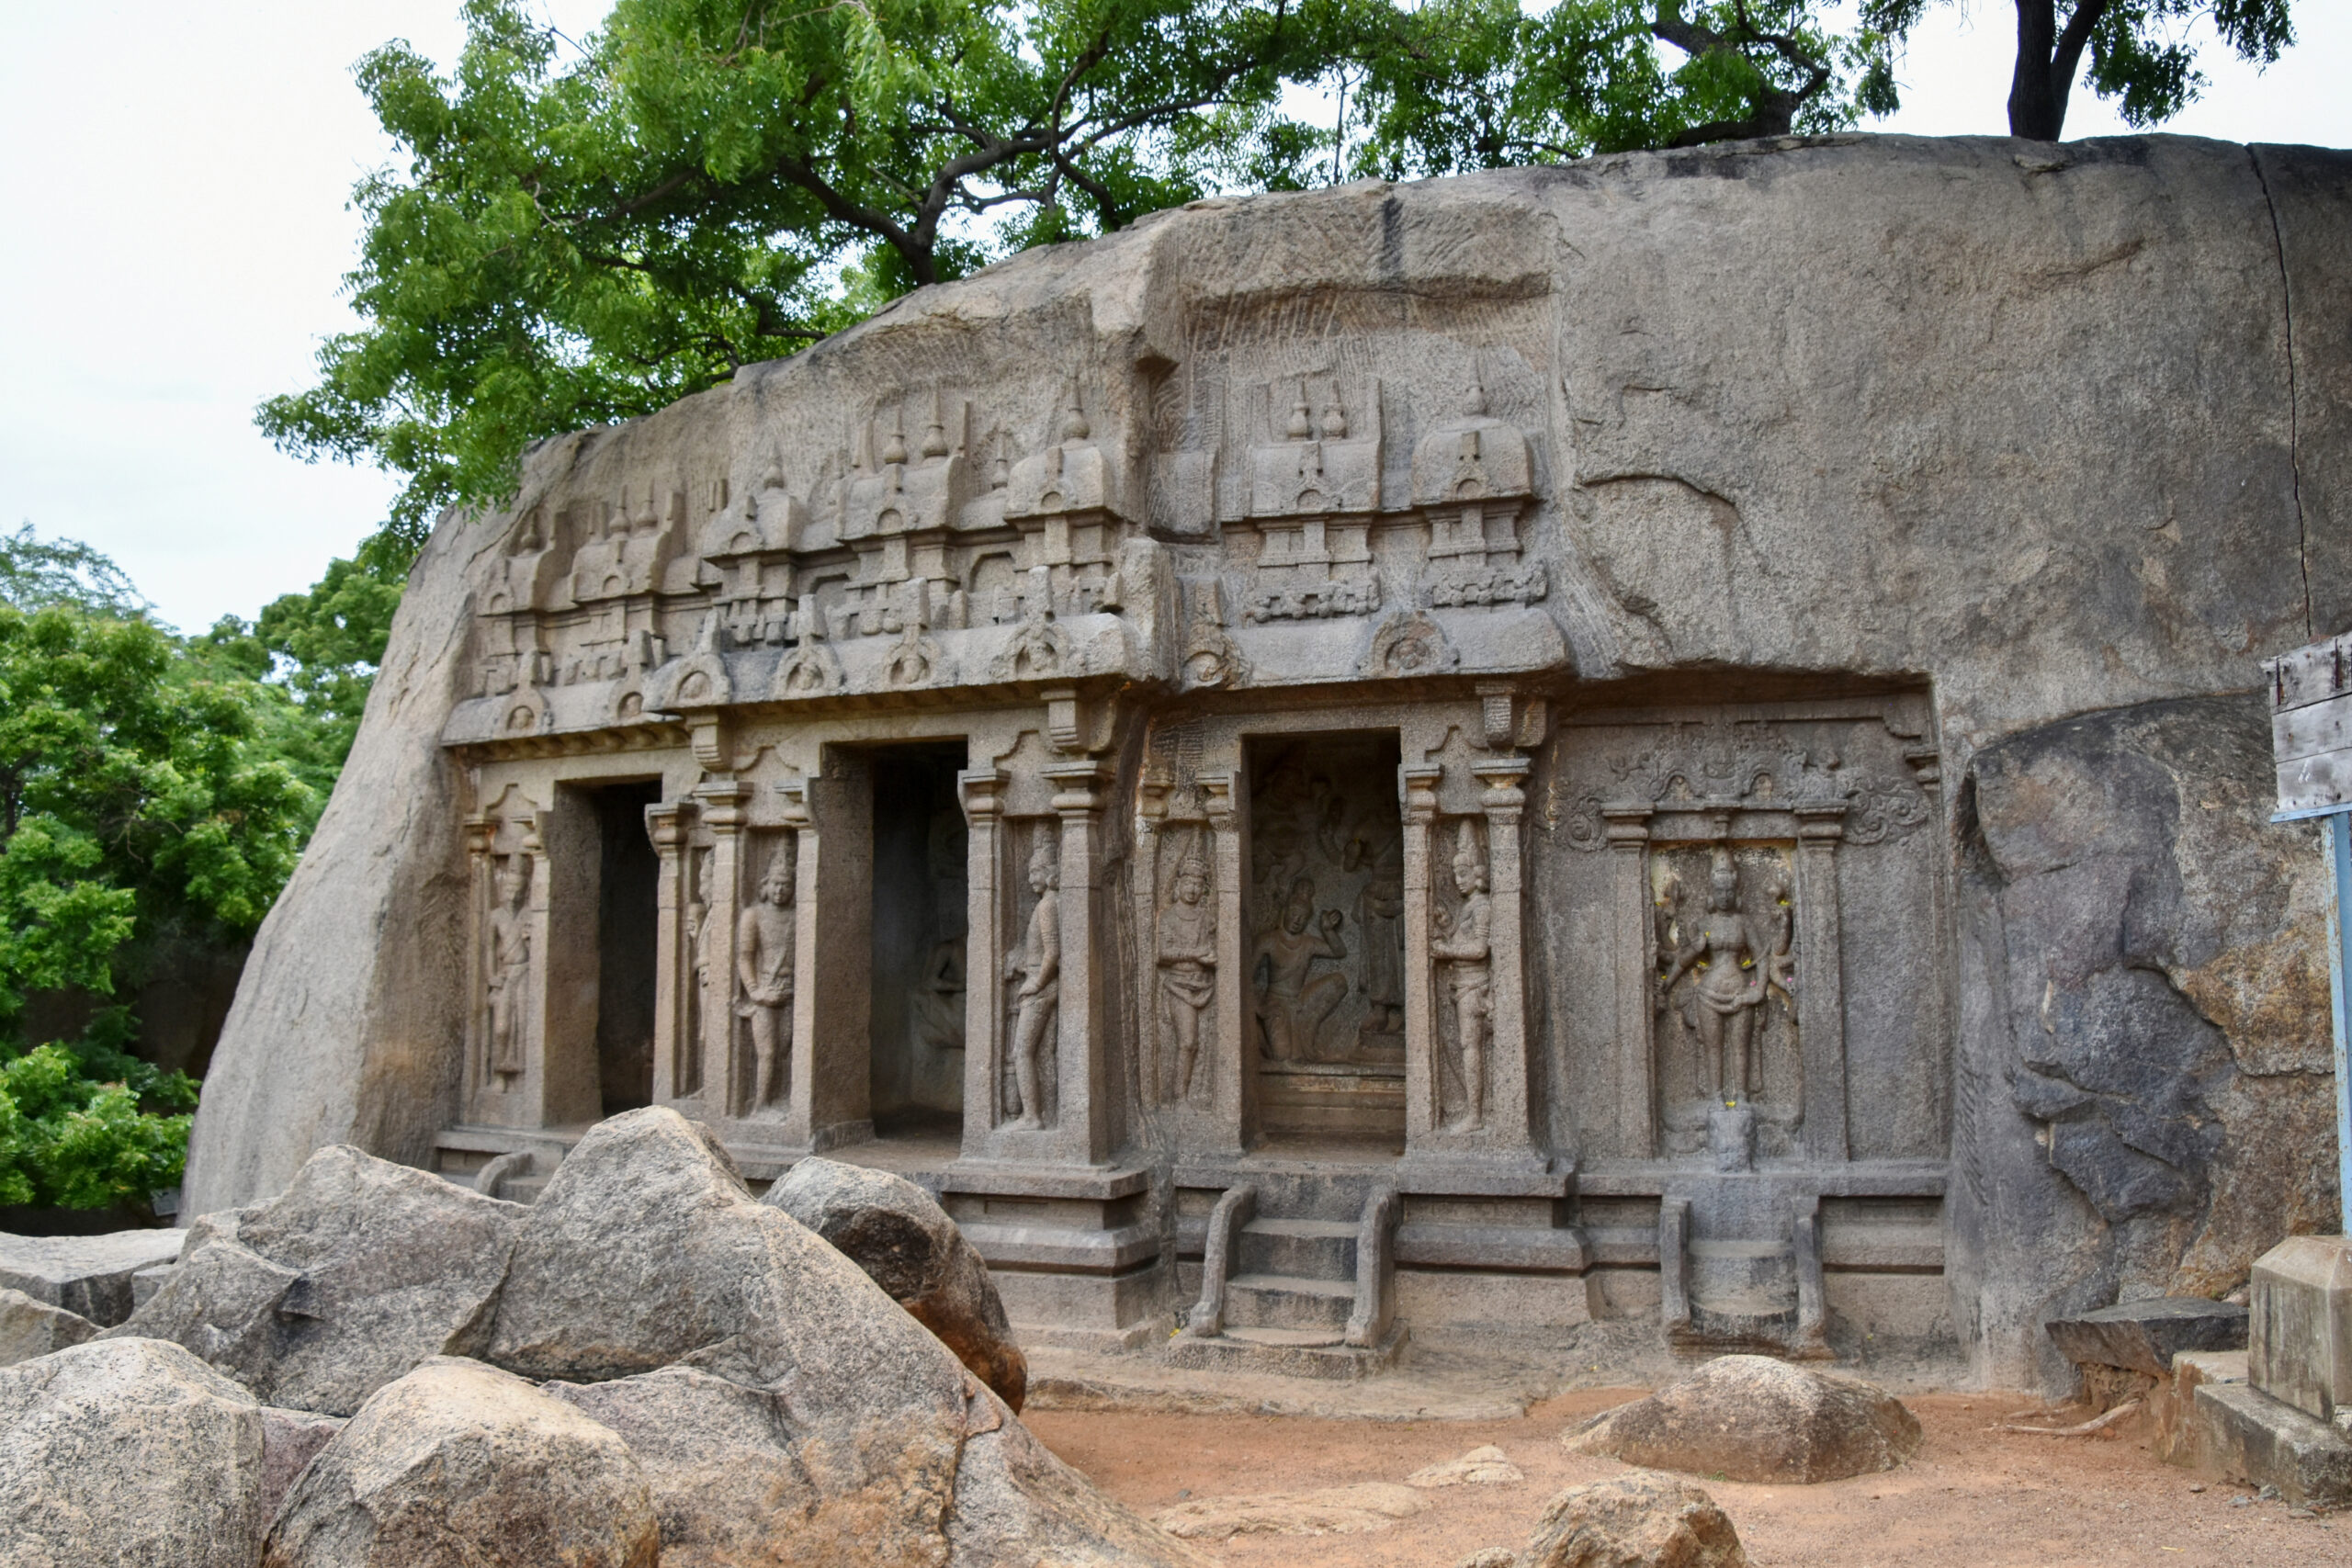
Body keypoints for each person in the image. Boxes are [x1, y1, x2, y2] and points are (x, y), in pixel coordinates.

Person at [1429, 829, 1492, 1132]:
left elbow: (1480, 949)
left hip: (1475, 986)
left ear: (1478, 874)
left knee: (1471, 1047)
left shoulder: (1482, 908)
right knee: (1466, 1046)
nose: (1458, 879)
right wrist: (1447, 923)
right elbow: (1465, 937)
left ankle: (1476, 1115)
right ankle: (1473, 1112)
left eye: (1464, 872)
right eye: (1455, 873)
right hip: (1462, 985)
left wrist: (1447, 951)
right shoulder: (1469, 907)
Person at [1253, 876, 1347, 1062]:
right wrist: (1260, 1008)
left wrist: (1328, 930)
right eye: (1294, 913)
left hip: (1300, 1001)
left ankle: (1309, 1027)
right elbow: (1244, 977)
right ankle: (1262, 1040)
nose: (1297, 920)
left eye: (1303, 918)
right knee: (1283, 1056)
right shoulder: (1268, 940)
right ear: (1285, 911)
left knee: (1338, 983)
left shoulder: (1308, 943)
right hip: (1276, 1003)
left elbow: (1339, 952)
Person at [1004, 839, 1061, 1130]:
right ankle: (1037, 1114)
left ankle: (1032, 1117)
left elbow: (1053, 952)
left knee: (1022, 1052)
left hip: (1041, 989)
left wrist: (1036, 983)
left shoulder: (1048, 906)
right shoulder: (1048, 904)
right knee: (1038, 1053)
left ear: (1050, 872)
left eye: (1035, 872)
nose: (1030, 879)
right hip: (1040, 982)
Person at [734, 859, 796, 1110]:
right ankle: (761, 1103)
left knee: (784, 1050)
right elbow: (745, 956)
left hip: (791, 989)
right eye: (776, 884)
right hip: (765, 990)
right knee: (767, 1053)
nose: (780, 890)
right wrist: (756, 991)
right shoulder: (754, 915)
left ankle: (781, 1100)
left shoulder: (797, 916)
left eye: (786, 885)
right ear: (766, 885)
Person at [1158, 849, 1216, 1100]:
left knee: (1205, 1044)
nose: (1193, 888)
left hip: (1205, 983)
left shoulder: (1207, 917)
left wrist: (1210, 956)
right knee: (1189, 1042)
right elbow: (1162, 953)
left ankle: (1196, 1093)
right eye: (1188, 882)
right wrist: (1195, 954)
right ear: (1178, 883)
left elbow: (1214, 948)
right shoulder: (1168, 917)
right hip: (1178, 985)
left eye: (1198, 883)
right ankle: (1180, 1095)